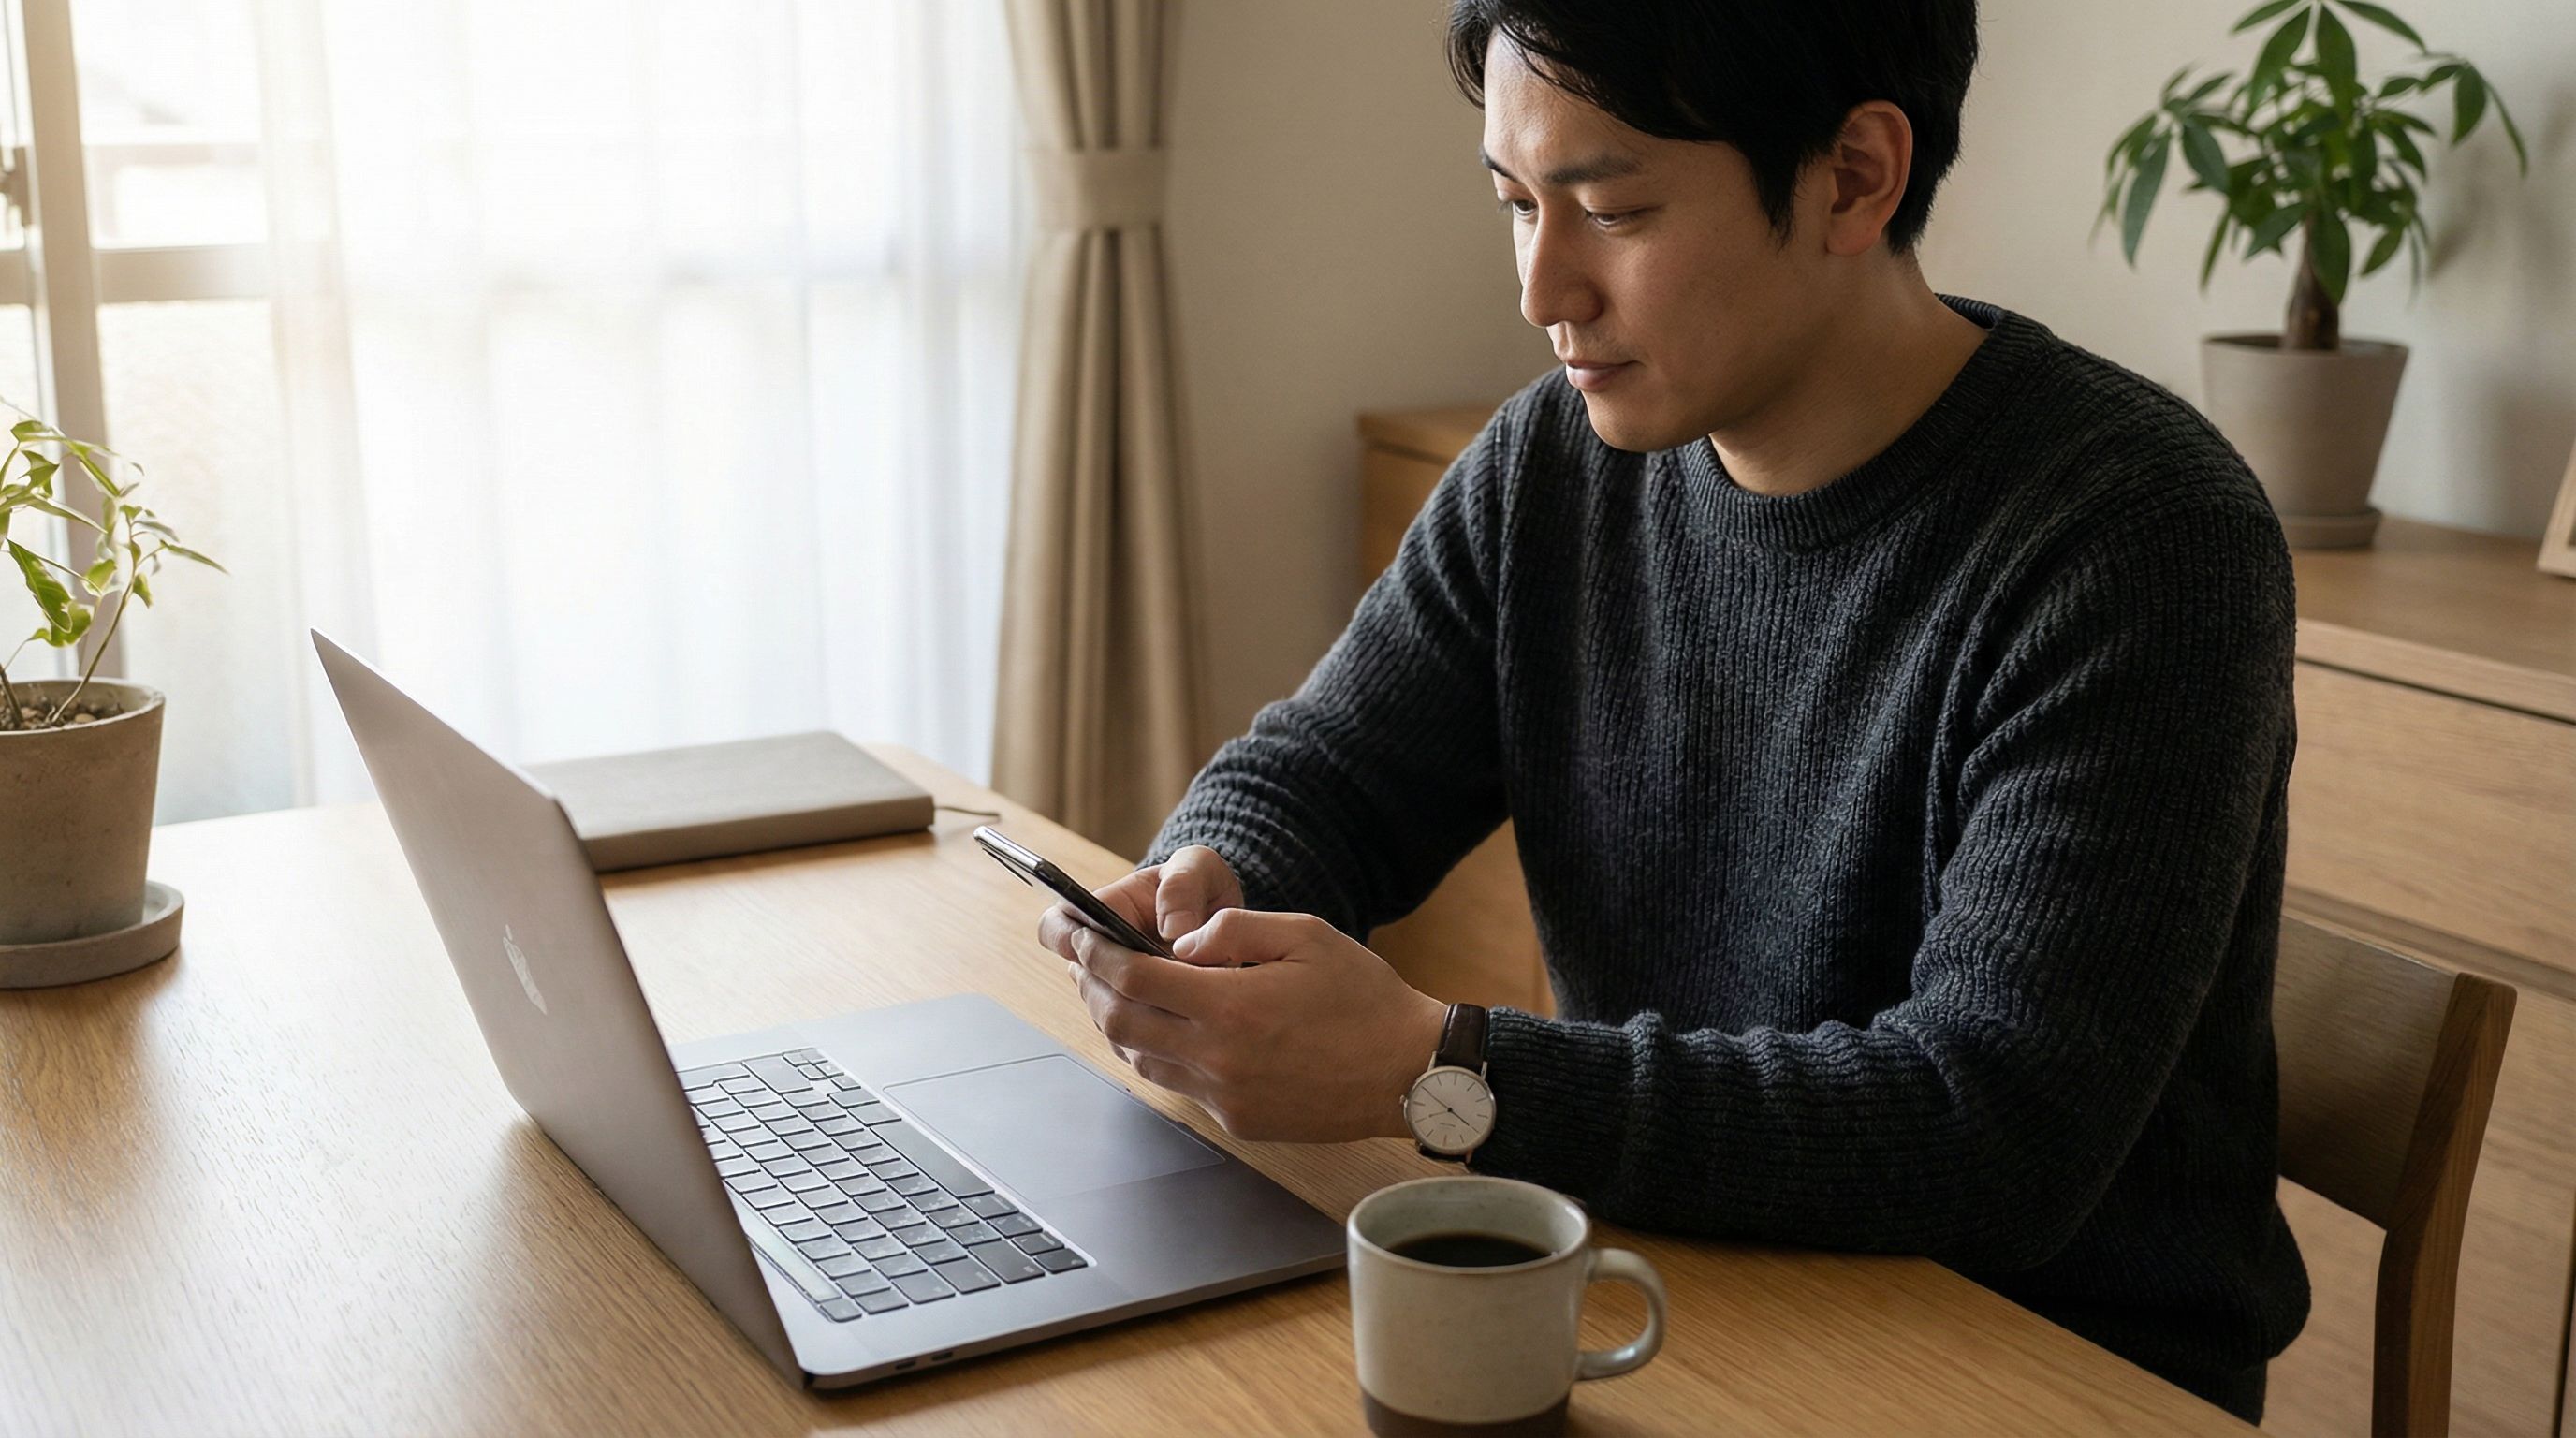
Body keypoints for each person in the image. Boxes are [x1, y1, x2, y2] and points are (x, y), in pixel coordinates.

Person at [1035, 0, 2308, 1418]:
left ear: (1854, 177)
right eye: (1517, 202)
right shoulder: (1551, 470)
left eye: (1613, 211)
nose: (1542, 288)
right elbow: (1327, 770)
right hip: (1673, 1287)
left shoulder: (2137, 537)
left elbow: (1989, 1134)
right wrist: (1211, 883)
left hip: (2031, 1366)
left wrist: (1436, 1070)